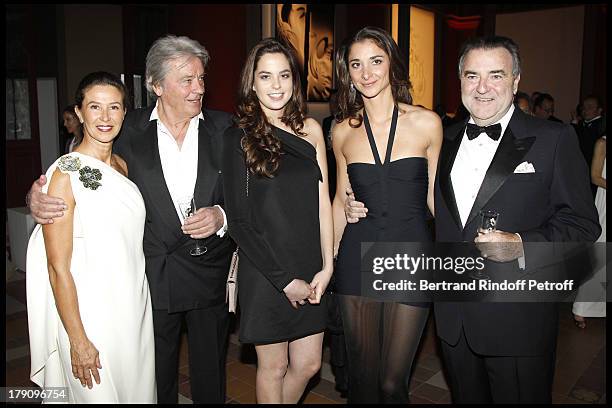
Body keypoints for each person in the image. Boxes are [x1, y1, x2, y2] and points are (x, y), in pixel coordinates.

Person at [345, 36, 600, 403]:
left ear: (515, 81)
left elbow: (583, 225)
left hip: (517, 320)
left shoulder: (554, 138)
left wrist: (523, 245)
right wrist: (356, 204)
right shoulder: (443, 139)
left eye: (496, 75)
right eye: (471, 75)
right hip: (454, 320)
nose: (482, 87)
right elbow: (411, 199)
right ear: (460, 80)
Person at [26, 35, 234, 404]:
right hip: (149, 282)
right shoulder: (126, 131)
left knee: (204, 380)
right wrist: (35, 196)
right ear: (156, 85)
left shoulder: (228, 129)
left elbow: (253, 195)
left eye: (201, 79)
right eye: (187, 80)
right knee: (154, 381)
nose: (198, 88)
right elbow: (73, 170)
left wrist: (222, 215)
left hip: (202, 277)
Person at [26, 71, 156, 403]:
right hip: (89, 314)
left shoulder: (122, 166)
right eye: (95, 107)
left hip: (132, 309)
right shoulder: (66, 173)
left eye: (114, 107)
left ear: (125, 113)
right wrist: (78, 340)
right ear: (79, 112)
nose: (105, 117)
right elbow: (57, 268)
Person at [332, 26, 442, 403]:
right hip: (356, 251)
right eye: (356, 64)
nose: (367, 73)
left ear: (391, 63)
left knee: (392, 383)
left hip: (410, 253)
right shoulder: (341, 131)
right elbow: (338, 200)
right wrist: (327, 263)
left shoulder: (427, 122)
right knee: (362, 379)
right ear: (348, 73)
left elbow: (436, 200)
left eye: (375, 61)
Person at [222, 38, 333, 403]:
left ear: (294, 81)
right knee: (274, 368)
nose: (276, 85)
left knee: (309, 364)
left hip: (310, 263)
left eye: (284, 75)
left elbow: (322, 203)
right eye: (265, 76)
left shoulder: (312, 131)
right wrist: (285, 281)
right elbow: (239, 221)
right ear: (251, 83)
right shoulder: (238, 137)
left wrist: (327, 265)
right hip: (267, 269)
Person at [573, 134, 606, 327]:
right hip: (604, 203)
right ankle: (583, 308)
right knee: (601, 254)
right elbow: (595, 177)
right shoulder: (602, 142)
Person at [575, 95, 606, 196]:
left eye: (590, 107)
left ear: (599, 110)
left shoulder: (601, 127)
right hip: (579, 175)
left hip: (594, 177)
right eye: (584, 107)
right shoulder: (580, 125)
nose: (585, 110)